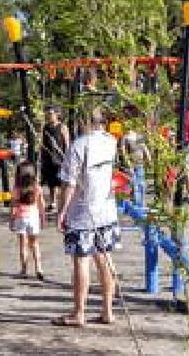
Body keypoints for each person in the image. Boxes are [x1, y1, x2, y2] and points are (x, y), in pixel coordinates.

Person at [54, 108, 119, 328]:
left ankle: (79, 312)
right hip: (106, 209)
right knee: (104, 258)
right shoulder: (111, 142)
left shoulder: (78, 145)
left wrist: (61, 211)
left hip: (83, 211)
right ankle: (107, 310)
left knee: (81, 260)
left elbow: (69, 183)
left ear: (85, 121)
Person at [10, 160, 45, 279]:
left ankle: (24, 269)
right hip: (33, 216)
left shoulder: (17, 188)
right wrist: (42, 217)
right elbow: (41, 204)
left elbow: (14, 205)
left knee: (23, 245)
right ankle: (39, 268)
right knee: (35, 244)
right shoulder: (37, 188)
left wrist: (12, 219)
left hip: (21, 217)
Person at [41, 107, 70, 213]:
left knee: (60, 182)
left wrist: (67, 157)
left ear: (57, 114)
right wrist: (42, 156)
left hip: (59, 158)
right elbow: (43, 143)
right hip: (48, 158)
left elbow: (67, 143)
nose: (49, 115)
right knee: (51, 182)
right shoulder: (45, 127)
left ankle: (62, 203)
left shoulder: (62, 127)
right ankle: (52, 202)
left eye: (51, 113)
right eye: (47, 113)